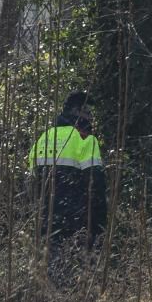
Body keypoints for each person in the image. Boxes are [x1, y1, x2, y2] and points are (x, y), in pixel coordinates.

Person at [27, 91, 107, 249]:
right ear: (76, 111)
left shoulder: (43, 138)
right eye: (88, 112)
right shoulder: (84, 139)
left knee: (49, 269)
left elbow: (31, 184)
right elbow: (96, 185)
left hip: (45, 222)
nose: (91, 118)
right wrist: (100, 227)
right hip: (75, 224)